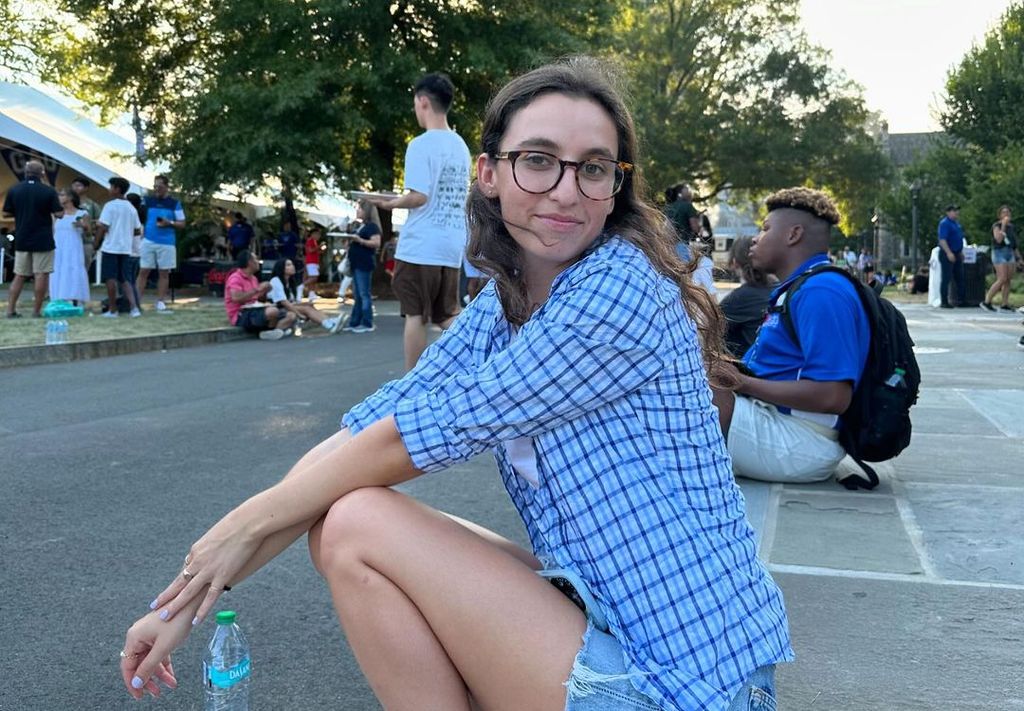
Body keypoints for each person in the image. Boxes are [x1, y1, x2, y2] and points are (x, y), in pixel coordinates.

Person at [120, 57, 790, 711]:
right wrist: (189, 590)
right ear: (489, 173)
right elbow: (360, 434)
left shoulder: (619, 289)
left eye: (592, 168)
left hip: (687, 678)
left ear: (615, 186)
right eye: (538, 159)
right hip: (604, 612)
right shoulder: (508, 303)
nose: (566, 189)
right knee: (337, 516)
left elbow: (419, 437)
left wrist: (236, 535)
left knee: (355, 520)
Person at [713, 187, 870, 484]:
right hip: (776, 423)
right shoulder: (800, 287)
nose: (755, 239)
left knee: (691, 392)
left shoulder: (822, 292)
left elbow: (833, 396)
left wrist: (743, 382)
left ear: (793, 235)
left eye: (766, 228)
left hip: (803, 442)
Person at [369, 73, 472, 370]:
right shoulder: (461, 146)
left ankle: (411, 384)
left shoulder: (421, 145)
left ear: (422, 101)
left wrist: (389, 202)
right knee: (447, 314)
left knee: (415, 314)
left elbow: (419, 197)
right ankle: (482, 356)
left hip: (421, 245)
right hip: (451, 244)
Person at [2, 160, 61, 318]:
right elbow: (59, 213)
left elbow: (6, 213)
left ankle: (10, 310)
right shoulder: (48, 191)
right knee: (41, 274)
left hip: (22, 237)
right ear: (42, 173)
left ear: (25, 172)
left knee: (19, 274)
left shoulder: (15, 190)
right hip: (43, 238)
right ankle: (36, 311)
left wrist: (21, 211)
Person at [719, 235, 774, 358]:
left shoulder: (740, 298)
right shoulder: (779, 287)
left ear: (734, 262)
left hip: (749, 368)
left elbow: (708, 328)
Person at [95, 177, 142, 318]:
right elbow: (137, 230)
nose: (109, 189)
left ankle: (113, 310)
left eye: (111, 187)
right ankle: (134, 309)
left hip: (111, 247)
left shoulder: (110, 206)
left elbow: (103, 227)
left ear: (117, 189)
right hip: (126, 249)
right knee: (125, 279)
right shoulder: (131, 208)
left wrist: (96, 243)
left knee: (110, 279)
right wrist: (125, 232)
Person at [223, 249, 297, 340]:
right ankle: (274, 330)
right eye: (255, 259)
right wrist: (257, 289)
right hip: (240, 313)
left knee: (291, 315)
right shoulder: (235, 278)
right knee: (272, 311)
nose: (258, 262)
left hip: (255, 310)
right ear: (249, 262)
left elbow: (258, 299)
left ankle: (271, 332)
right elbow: (236, 298)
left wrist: (264, 292)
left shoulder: (253, 278)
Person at [138, 175, 185, 313]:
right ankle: (136, 301)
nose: (157, 189)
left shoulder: (174, 203)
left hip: (167, 242)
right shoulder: (148, 201)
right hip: (148, 240)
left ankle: (160, 302)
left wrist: (169, 223)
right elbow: (139, 217)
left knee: (164, 273)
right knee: (143, 271)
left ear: (166, 187)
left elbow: (182, 223)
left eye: (159, 186)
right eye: (155, 186)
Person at [268, 257, 340, 333]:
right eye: (288, 265)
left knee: (309, 305)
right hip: (275, 309)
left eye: (292, 264)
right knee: (306, 309)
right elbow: (284, 302)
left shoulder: (290, 282)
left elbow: (292, 301)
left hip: (284, 306)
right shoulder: (275, 281)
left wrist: (305, 303)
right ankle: (328, 325)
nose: (292, 267)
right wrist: (299, 314)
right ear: (281, 268)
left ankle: (328, 320)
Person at [344, 199, 382, 333]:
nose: (357, 211)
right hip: (356, 263)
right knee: (358, 295)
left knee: (364, 294)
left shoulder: (372, 227)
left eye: (359, 208)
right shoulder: (360, 226)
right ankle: (355, 321)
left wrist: (359, 240)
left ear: (366, 211)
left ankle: (367, 322)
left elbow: (376, 243)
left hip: (363, 263)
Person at [49, 188, 92, 305]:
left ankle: (76, 297)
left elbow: (89, 233)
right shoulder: (56, 214)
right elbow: (52, 231)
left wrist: (83, 226)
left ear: (70, 198)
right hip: (58, 247)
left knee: (74, 269)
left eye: (62, 195)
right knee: (58, 270)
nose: (59, 197)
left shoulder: (82, 213)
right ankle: (58, 297)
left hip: (74, 247)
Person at [981, 205, 1021, 312]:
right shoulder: (997, 226)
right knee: (1002, 278)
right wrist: (1003, 225)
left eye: (1008, 212)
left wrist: (1019, 258)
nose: (1006, 214)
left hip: (1010, 252)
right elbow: (998, 239)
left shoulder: (1011, 227)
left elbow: (1014, 244)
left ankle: (1005, 303)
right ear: (1000, 215)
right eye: (1004, 212)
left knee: (1008, 280)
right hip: (999, 252)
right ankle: (987, 301)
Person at [937, 203, 966, 308]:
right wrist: (949, 252)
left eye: (957, 210)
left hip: (957, 252)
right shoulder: (945, 223)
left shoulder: (957, 224)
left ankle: (961, 300)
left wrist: (960, 251)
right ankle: (944, 301)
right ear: (948, 212)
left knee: (960, 277)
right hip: (947, 253)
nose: (956, 213)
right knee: (946, 277)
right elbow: (942, 239)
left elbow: (958, 238)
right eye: (954, 210)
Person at [71, 176, 101, 274]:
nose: (75, 188)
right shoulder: (67, 203)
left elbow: (99, 222)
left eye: (79, 186)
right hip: (69, 241)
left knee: (83, 270)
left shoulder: (92, 205)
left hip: (86, 241)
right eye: (74, 185)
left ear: (86, 188)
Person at [664, 183, 700, 250]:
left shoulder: (669, 206)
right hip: (682, 244)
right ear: (680, 194)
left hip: (667, 245)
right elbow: (695, 228)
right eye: (687, 190)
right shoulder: (688, 206)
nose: (690, 192)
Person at [301, 227, 322, 300]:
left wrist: (319, 251)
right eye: (317, 234)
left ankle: (311, 293)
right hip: (311, 262)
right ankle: (301, 286)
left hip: (314, 262)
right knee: (314, 277)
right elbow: (310, 250)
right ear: (313, 234)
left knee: (313, 279)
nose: (318, 236)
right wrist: (318, 247)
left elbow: (313, 251)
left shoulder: (314, 241)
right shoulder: (310, 241)